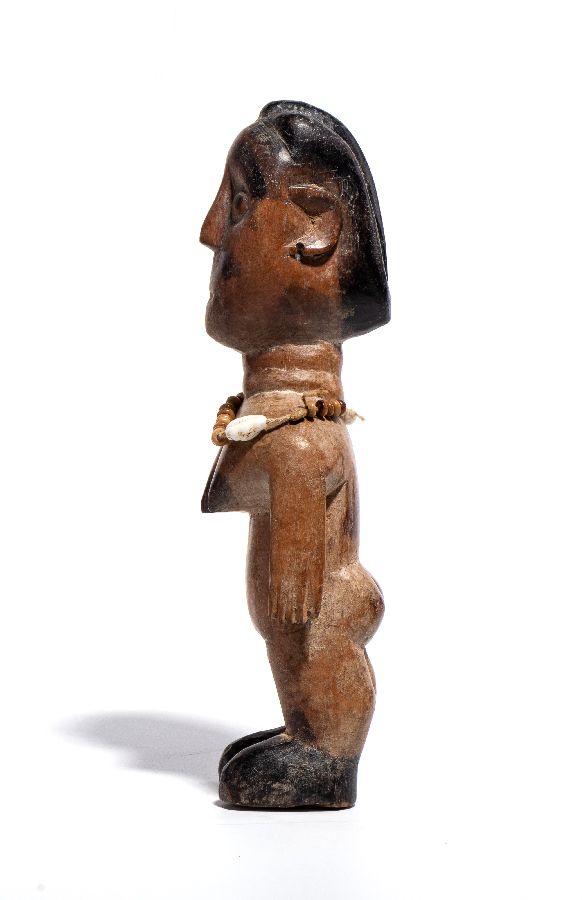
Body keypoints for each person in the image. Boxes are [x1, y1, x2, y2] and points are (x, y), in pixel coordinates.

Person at [200, 100, 390, 808]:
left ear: (315, 229)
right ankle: (305, 734)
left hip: (327, 647)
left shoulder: (306, 434)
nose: (210, 230)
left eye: (238, 203)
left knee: (311, 636)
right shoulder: (294, 418)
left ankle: (325, 752)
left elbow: (307, 457)